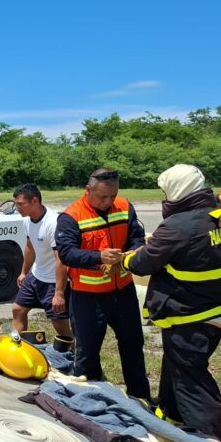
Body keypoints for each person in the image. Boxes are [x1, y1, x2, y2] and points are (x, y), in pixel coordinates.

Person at [124, 164, 221, 440]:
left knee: (191, 379)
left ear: (177, 190)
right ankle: (169, 415)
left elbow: (142, 263)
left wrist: (126, 259)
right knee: (175, 366)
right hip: (212, 309)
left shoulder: (179, 225)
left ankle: (209, 441)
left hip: (187, 315)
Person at [55, 168, 150, 400]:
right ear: (88, 190)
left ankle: (140, 399)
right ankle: (88, 401)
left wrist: (132, 252)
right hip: (88, 296)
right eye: (102, 197)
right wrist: (99, 257)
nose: (108, 202)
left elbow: (136, 236)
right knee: (87, 353)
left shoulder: (124, 206)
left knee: (133, 346)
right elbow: (66, 254)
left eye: (112, 196)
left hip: (123, 292)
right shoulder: (71, 216)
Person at [11, 183, 72, 338]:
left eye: (20, 204)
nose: (17, 208)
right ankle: (18, 346)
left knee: (59, 323)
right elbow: (30, 246)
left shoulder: (53, 223)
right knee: (18, 309)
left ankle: (73, 347)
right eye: (16, 204)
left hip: (53, 280)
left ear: (34, 201)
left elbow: (61, 260)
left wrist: (59, 294)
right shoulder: (27, 220)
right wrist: (24, 272)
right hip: (36, 276)